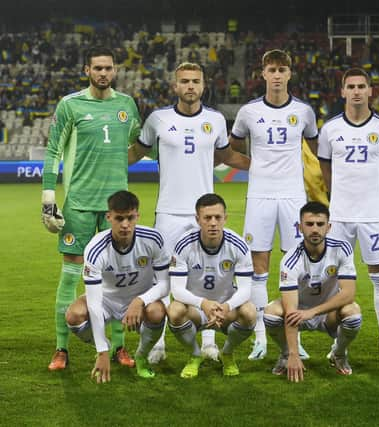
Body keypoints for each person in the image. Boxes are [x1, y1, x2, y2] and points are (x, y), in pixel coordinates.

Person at [130, 62, 250, 364]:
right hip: (168, 211)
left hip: (205, 211)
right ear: (175, 86)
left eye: (195, 81)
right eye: (184, 81)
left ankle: (209, 338)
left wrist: (265, 164)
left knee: (209, 276)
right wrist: (102, 161)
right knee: (163, 276)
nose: (190, 86)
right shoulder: (158, 119)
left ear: (204, 85)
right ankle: (158, 344)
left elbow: (226, 156)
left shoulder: (216, 119)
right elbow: (136, 152)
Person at [42, 46, 142, 371]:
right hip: (80, 204)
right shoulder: (70, 105)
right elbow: (53, 149)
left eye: (108, 68)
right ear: (87, 70)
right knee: (71, 275)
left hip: (117, 208)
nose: (103, 73)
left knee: (117, 278)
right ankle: (61, 349)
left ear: (115, 70)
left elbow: (140, 143)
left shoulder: (126, 105)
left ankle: (119, 349)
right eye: (97, 68)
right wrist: (48, 197)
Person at [229, 49, 317, 360]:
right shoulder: (249, 112)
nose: (277, 75)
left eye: (282, 69)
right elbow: (233, 148)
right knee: (258, 266)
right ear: (263, 74)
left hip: (293, 196)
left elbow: (315, 148)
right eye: (272, 69)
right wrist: (256, 166)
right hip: (260, 196)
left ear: (289, 74)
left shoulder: (305, 112)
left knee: (294, 265)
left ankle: (294, 336)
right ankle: (261, 337)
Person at [318, 67, 379, 360]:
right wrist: (338, 194)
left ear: (370, 91)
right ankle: (338, 345)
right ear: (342, 91)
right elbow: (325, 168)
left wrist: (375, 192)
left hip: (373, 216)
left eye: (361, 86)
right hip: (339, 216)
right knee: (334, 280)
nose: (356, 91)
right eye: (350, 86)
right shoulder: (329, 129)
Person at [65, 191, 170, 383]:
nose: (125, 224)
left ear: (137, 216)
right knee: (74, 315)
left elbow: (164, 284)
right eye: (119, 218)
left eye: (130, 218)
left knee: (157, 312)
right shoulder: (95, 249)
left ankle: (141, 356)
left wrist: (140, 300)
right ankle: (108, 346)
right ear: (109, 217)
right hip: (106, 301)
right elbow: (95, 304)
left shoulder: (153, 239)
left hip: (140, 299)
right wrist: (102, 351)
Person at [264, 201, 361, 382]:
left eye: (320, 224)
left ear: (329, 227)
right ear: (300, 227)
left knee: (353, 312)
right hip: (299, 312)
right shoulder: (290, 260)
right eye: (309, 224)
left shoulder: (342, 249)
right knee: (271, 313)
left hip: (328, 314)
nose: (315, 229)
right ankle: (285, 355)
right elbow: (290, 309)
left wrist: (313, 312)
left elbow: (349, 293)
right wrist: (294, 354)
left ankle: (338, 354)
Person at [167, 193, 256, 377]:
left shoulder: (238, 245)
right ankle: (194, 354)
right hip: (197, 310)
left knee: (249, 312)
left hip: (226, 310)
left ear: (225, 218)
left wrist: (226, 306)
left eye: (218, 217)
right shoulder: (184, 244)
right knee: (174, 310)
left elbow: (246, 289)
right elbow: (176, 290)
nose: (213, 223)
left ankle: (227, 353)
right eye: (207, 218)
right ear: (197, 219)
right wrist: (203, 304)